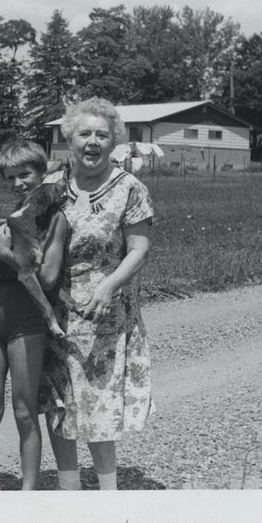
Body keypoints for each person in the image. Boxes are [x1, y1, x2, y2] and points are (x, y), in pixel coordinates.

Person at [39, 97, 155, 491]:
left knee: (99, 403)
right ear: (69, 138)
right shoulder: (51, 186)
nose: (92, 142)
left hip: (105, 313)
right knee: (60, 403)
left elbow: (138, 248)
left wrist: (110, 284)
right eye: (84, 133)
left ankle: (109, 495)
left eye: (101, 135)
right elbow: (23, 232)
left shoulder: (129, 188)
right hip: (55, 313)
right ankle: (69, 491)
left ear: (114, 142)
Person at [0, 140, 68, 490]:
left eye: (25, 174)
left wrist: (3, 253)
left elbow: (48, 278)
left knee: (24, 412)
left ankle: (28, 494)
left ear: (42, 174)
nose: (17, 183)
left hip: (27, 323)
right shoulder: (13, 216)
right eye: (10, 177)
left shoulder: (56, 220)